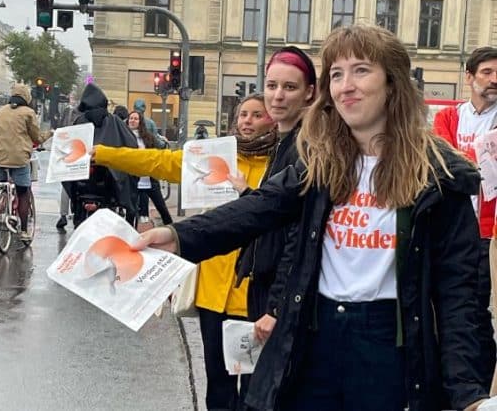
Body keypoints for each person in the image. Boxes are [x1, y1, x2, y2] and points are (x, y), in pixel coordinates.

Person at [136, 24, 490, 411]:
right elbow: (257, 209)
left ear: (393, 83)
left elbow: (462, 294)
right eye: (336, 74)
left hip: (388, 346)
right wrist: (177, 237)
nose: (345, 85)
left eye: (361, 70)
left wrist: (467, 393)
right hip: (314, 337)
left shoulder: (438, 175)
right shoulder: (318, 162)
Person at [93, 93, 276, 410]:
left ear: (272, 119)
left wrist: (248, 192)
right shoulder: (215, 156)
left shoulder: (280, 164)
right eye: (243, 114)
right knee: (217, 383)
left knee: (254, 386)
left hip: (254, 294)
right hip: (212, 292)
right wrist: (105, 155)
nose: (247, 120)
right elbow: (160, 163)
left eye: (257, 115)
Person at [231, 46, 316, 348]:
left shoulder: (306, 146)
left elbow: (297, 233)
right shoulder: (282, 141)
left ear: (309, 93)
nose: (278, 95)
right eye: (272, 85)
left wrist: (276, 306)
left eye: (289, 87)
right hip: (262, 280)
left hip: (276, 292)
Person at [434, 46, 497, 392]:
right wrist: (476, 158)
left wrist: (465, 159)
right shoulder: (449, 116)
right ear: (469, 78)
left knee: (482, 307)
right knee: (455, 305)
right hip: (455, 227)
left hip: (490, 230)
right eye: (486, 72)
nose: (494, 80)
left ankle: (484, 381)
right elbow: (444, 162)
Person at [0, 83, 44, 241]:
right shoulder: (28, 113)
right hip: (19, 159)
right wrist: (49, 135)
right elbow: (36, 137)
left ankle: (2, 205)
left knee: (3, 183)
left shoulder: (1, 111)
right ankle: (24, 230)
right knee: (23, 192)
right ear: (27, 97)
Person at [126, 110, 173, 226]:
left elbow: (160, 147)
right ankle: (129, 236)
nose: (133, 120)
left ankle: (172, 229)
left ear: (140, 121)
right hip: (132, 179)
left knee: (162, 207)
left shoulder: (148, 136)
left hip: (149, 179)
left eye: (136, 119)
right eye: (131, 118)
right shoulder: (124, 136)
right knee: (131, 212)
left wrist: (164, 143)